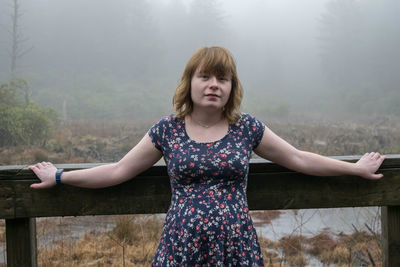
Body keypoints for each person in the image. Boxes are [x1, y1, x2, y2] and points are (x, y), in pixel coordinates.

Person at [29, 46, 386, 266]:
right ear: (190, 83)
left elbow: (299, 158)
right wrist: (60, 176)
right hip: (181, 244)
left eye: (223, 78)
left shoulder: (246, 128)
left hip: (237, 245)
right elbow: (119, 170)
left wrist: (354, 169)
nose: (214, 84)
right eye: (205, 76)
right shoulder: (167, 130)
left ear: (232, 88)